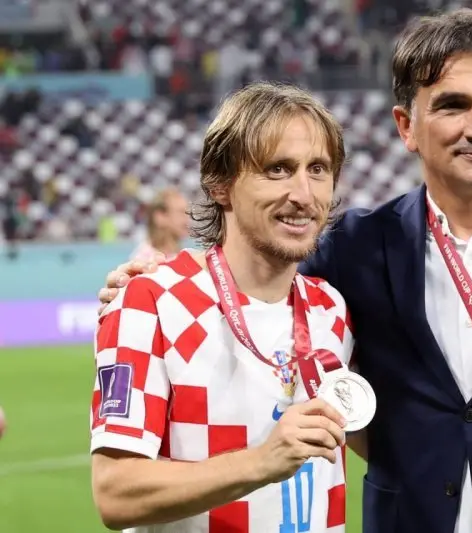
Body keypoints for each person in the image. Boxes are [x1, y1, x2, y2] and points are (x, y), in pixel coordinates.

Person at [97, 9, 472, 533]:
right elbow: (255, 269)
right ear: (406, 126)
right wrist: (154, 282)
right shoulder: (354, 249)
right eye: (452, 105)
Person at [90, 83, 361, 533]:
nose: (303, 193)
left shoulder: (330, 309)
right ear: (220, 184)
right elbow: (116, 493)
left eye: (318, 169)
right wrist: (261, 461)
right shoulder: (150, 301)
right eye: (277, 169)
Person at [129, 187, 190, 263]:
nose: (187, 218)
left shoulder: (182, 256)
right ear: (160, 216)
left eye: (187, 213)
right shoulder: (144, 262)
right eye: (181, 212)